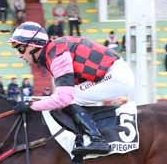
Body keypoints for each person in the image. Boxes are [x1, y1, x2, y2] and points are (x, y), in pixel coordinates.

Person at [8, 21, 134, 155]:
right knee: (69, 98)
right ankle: (85, 136)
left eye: (21, 48)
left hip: (114, 75)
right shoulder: (53, 52)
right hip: (110, 73)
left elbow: (64, 98)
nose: (19, 55)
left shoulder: (57, 56)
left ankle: (97, 140)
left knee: (70, 98)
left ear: (35, 45)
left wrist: (31, 106)